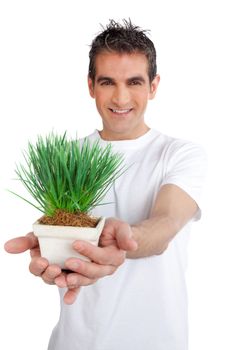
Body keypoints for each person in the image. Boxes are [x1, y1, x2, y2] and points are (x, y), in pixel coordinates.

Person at [4, 19, 207, 350]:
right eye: (108, 82)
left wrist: (124, 240)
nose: (121, 97)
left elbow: (166, 223)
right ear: (90, 86)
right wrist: (49, 251)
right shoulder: (66, 157)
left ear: (154, 86)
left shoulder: (180, 154)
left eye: (135, 82)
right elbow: (59, 232)